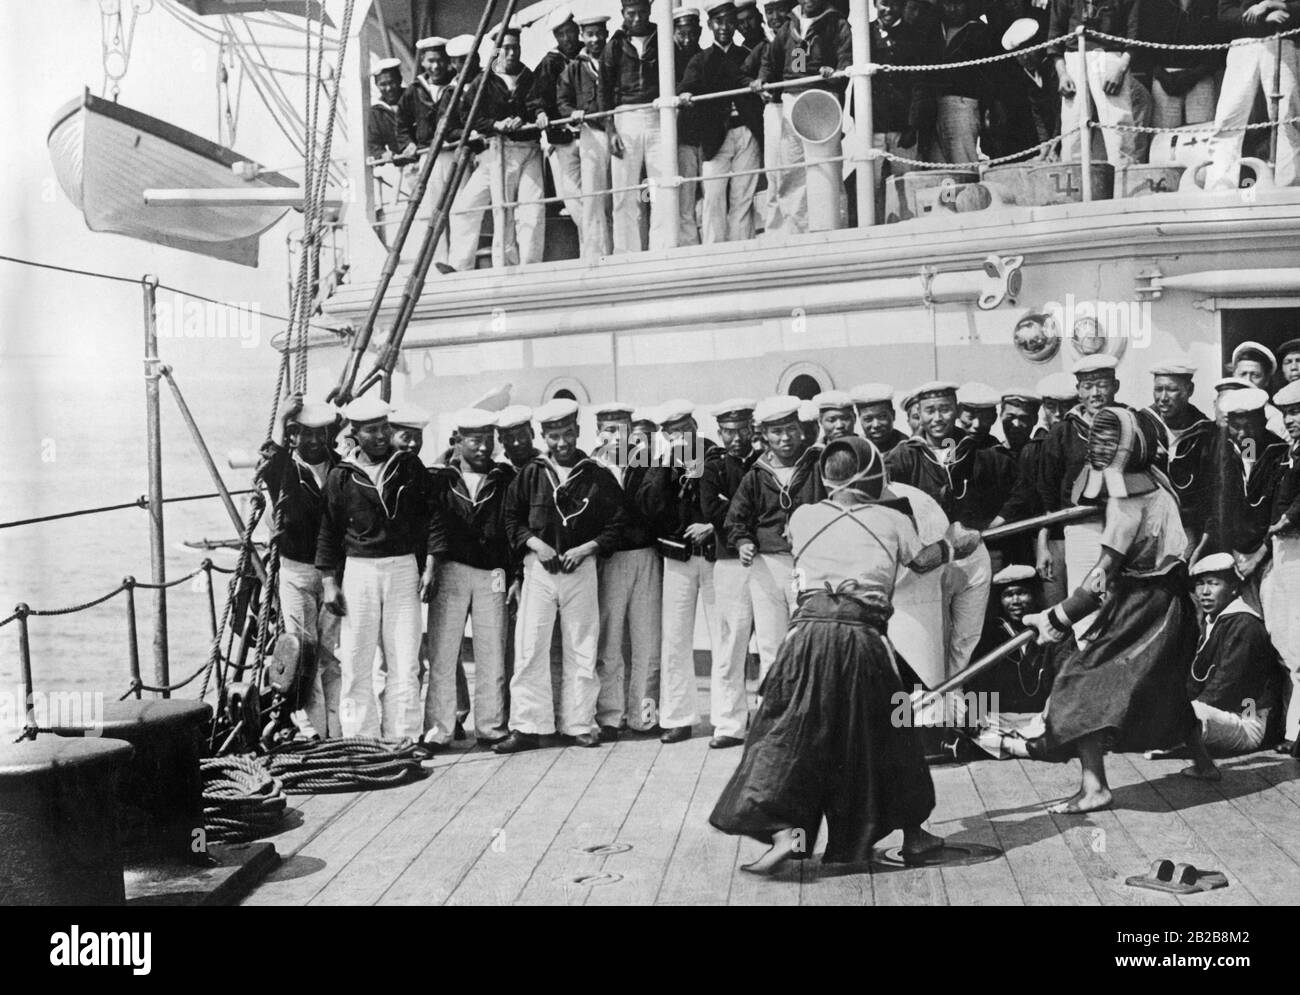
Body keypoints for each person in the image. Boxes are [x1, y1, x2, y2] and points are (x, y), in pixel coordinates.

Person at [710, 436, 950, 872]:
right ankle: (912, 836)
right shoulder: (892, 519)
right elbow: (922, 561)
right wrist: (957, 544)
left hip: (804, 637)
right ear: (874, 475)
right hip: (861, 638)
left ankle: (785, 833)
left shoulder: (802, 516)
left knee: (785, 734)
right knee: (886, 737)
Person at [1023, 406, 1219, 813]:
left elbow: (1096, 584)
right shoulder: (1159, 484)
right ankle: (1203, 763)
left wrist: (1055, 619)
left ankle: (1094, 787)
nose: (1098, 447)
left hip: (1145, 605)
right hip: (1170, 601)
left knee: (1079, 680)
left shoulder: (1127, 506)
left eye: (1108, 441)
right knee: (1164, 685)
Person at [497, 399, 628, 752]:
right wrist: (536, 545)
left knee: (581, 648)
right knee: (530, 649)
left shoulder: (596, 473)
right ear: (544, 436)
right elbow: (512, 519)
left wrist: (588, 548)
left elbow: (618, 522)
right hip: (539, 571)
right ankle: (527, 725)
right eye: (554, 436)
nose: (562, 443)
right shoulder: (531, 473)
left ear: (577, 432)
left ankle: (579, 723)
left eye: (568, 434)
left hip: (581, 572)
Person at [316, 397, 432, 741]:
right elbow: (328, 531)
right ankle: (360, 738)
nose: (381, 435)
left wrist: (430, 566)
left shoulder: (409, 467)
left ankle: (403, 736)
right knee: (355, 659)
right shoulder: (341, 476)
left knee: (404, 659)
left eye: (385, 427)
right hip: (359, 571)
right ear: (356, 433)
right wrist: (328, 582)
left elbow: (432, 519)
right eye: (372, 430)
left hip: (402, 568)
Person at [885, 382, 998, 681]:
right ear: (918, 414)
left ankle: (957, 705)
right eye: (930, 411)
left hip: (971, 554)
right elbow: (887, 504)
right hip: (928, 559)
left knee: (967, 635)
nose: (938, 418)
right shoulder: (901, 456)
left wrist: (982, 526)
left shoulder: (977, 449)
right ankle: (931, 713)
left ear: (957, 411)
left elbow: (1000, 491)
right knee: (928, 640)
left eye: (945, 409)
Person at [422, 409, 516, 748]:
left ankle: (491, 725)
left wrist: (514, 574)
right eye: (474, 439)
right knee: (444, 652)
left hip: (494, 572)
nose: (483, 447)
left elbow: (512, 528)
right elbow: (430, 523)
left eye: (488, 439)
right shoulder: (439, 478)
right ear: (457, 441)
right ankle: (440, 728)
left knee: (492, 650)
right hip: (452, 569)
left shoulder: (504, 478)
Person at [639, 401, 722, 744]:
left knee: (724, 636)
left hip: (716, 555)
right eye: (671, 431)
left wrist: (712, 525)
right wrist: (665, 466)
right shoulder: (658, 463)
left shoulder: (715, 456)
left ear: (694, 424)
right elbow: (648, 508)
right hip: (676, 558)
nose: (679, 435)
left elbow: (736, 499)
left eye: (684, 427)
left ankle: (726, 716)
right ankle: (678, 717)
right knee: (674, 639)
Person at [725, 395, 825, 678]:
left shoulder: (817, 464)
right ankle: (775, 713)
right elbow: (736, 519)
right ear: (765, 436)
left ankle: (810, 714)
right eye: (777, 432)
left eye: (790, 429)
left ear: (801, 430)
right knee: (771, 643)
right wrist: (743, 542)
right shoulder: (756, 475)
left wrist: (805, 526)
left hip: (809, 565)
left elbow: (834, 506)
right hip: (766, 567)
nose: (785, 438)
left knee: (808, 639)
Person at [260, 396, 342, 739]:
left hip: (333, 575)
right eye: (303, 434)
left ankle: (336, 729)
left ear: (328, 436)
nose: (311, 441)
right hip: (295, 572)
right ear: (293, 436)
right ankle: (313, 731)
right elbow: (270, 457)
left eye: (318, 434)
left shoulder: (340, 468)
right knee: (304, 653)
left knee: (329, 653)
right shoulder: (284, 470)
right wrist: (281, 419)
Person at [1037, 355, 1128, 631]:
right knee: (1087, 605)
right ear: (1078, 390)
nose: (1095, 393)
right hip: (1082, 530)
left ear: (1115, 386)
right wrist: (1043, 544)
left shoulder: (1132, 423)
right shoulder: (1062, 433)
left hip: (1125, 527)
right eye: (1087, 386)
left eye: (1102, 385)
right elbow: (1048, 493)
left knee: (1123, 606)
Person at [591, 401, 663, 741]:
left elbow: (698, 452)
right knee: (610, 641)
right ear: (598, 431)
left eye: (621, 427)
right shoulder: (589, 465)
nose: (614, 435)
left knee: (646, 641)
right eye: (607, 428)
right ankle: (610, 716)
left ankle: (644, 716)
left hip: (645, 554)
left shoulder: (648, 458)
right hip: (609, 559)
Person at [757, 0, 852, 233]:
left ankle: (833, 229)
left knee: (826, 167)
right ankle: (798, 230)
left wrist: (835, 74)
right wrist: (763, 79)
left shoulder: (836, 23)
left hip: (823, 98)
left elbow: (846, 59)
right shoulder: (790, 26)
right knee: (792, 170)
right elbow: (771, 60)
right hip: (791, 100)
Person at [461, 26, 547, 268]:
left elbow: (536, 102)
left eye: (515, 48)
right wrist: (495, 124)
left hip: (529, 147)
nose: (511, 53)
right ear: (497, 50)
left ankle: (531, 264)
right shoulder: (484, 81)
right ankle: (505, 265)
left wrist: (534, 114)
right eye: (506, 48)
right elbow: (469, 116)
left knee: (533, 208)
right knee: (504, 212)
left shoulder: (528, 76)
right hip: (501, 149)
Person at [701, 399, 761, 748]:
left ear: (752, 429)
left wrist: (738, 510)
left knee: (771, 644)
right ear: (720, 433)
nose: (736, 437)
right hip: (728, 561)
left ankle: (769, 720)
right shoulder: (713, 469)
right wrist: (747, 517)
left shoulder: (764, 464)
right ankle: (728, 723)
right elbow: (714, 511)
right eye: (728, 431)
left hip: (765, 560)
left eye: (742, 430)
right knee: (730, 644)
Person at [680, 2, 765, 244]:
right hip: (715, 137)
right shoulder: (700, 59)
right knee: (714, 196)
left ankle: (740, 250)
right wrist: (686, 95)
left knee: (743, 196)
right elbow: (686, 87)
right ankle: (713, 250)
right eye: (718, 22)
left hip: (747, 132)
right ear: (710, 25)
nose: (725, 27)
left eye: (729, 21)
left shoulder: (747, 54)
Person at [1182, 553, 1281, 754]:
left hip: (1247, 719)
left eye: (1213, 583)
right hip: (1218, 713)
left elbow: (1228, 682)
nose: (1205, 592)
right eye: (1200, 584)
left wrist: (1186, 707)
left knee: (1181, 715)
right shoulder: (1213, 621)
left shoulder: (1245, 624)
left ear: (1234, 588)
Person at [601, 0, 672, 253]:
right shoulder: (614, 46)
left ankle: (663, 249)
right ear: (623, 13)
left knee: (662, 187)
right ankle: (626, 253)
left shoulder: (663, 38)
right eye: (631, 13)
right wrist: (610, 130)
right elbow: (604, 90)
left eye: (642, 12)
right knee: (625, 191)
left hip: (656, 116)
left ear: (649, 12)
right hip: (626, 117)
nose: (637, 18)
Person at [1205, 0, 1299, 190]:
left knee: (1288, 120)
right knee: (1229, 119)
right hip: (1243, 46)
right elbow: (1225, 15)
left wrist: (1270, 4)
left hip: (1282, 41)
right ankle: (1220, 185)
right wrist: (1265, 17)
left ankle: (1290, 185)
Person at [969, 564, 1058, 759]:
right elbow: (977, 681)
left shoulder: (1050, 629)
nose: (1015, 601)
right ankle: (1023, 748)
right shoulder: (992, 633)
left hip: (1038, 718)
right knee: (958, 719)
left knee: (1068, 729)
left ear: (1034, 596)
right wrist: (978, 716)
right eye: (1008, 595)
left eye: (1022, 593)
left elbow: (1063, 677)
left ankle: (1008, 747)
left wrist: (1049, 713)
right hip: (1000, 719)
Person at [1049, 0, 1140, 166]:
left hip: (1111, 58)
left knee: (1118, 129)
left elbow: (1134, 32)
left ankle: (1123, 185)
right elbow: (1055, 36)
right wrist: (1062, 73)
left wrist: (1121, 67)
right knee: (1072, 131)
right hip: (1074, 59)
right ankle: (1075, 187)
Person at [1261, 379, 1300, 747]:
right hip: (1283, 549)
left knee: (1297, 639)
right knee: (1283, 635)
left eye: (1298, 411)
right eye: (1288, 412)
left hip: (1297, 547)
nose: (1291, 419)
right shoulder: (1291, 452)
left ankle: (1296, 732)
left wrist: (1287, 519)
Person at [530, 8, 586, 255]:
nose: (568, 38)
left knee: (600, 191)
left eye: (570, 32)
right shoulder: (549, 63)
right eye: (561, 34)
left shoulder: (591, 53)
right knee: (571, 195)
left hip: (592, 133)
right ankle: (591, 240)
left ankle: (595, 244)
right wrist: (540, 112)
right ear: (556, 36)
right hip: (563, 139)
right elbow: (536, 96)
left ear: (577, 30)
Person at [915, 0, 998, 166]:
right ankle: (949, 194)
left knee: (962, 160)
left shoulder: (978, 30)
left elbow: (989, 75)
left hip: (962, 103)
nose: (952, 9)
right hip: (933, 106)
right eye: (947, 4)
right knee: (939, 165)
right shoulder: (936, 30)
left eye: (958, 3)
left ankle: (968, 193)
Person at [558, 14, 614, 257]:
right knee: (593, 198)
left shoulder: (616, 60)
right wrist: (572, 113)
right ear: (583, 37)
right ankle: (594, 253)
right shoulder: (575, 67)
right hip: (591, 133)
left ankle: (622, 251)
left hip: (617, 130)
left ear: (606, 34)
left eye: (600, 33)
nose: (596, 39)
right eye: (590, 34)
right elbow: (562, 100)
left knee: (623, 195)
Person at [1147, 361, 1216, 550]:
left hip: (1186, 527)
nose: (1163, 398)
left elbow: (1210, 490)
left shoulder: (1206, 432)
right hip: (1146, 527)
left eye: (1171, 390)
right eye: (1158, 389)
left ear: (1189, 390)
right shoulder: (1143, 424)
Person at [1135, 0, 1220, 132]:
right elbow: (1143, 44)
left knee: (1201, 137)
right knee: (1163, 137)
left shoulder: (1209, 4)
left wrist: (1195, 74)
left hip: (1201, 77)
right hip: (1164, 77)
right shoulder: (1152, 4)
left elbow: (1218, 46)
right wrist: (1161, 75)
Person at [986, 18, 1060, 162]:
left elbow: (1060, 110)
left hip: (1065, 133)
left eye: (1028, 50)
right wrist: (1044, 146)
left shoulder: (1052, 69)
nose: (1025, 57)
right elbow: (1037, 114)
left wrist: (1055, 147)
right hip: (1052, 139)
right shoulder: (1028, 76)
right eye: (1019, 53)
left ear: (1038, 46)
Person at [672, 7, 706, 248]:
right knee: (685, 197)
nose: (687, 39)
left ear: (700, 31)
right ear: (673, 33)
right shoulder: (666, 62)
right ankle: (689, 245)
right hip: (682, 137)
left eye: (691, 34)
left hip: (707, 137)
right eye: (682, 34)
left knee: (710, 194)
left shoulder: (707, 58)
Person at [1231, 340, 1288, 436]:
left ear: (1266, 381)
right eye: (1243, 374)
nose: (1247, 381)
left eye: (1255, 375)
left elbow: (1249, 450)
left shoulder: (1276, 421)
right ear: (1234, 375)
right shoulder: (1224, 412)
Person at [851, 383, 908, 453]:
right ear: (859, 419)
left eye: (882, 417)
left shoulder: (908, 447)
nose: (876, 425)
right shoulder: (856, 448)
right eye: (868, 419)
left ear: (893, 415)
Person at [368, 59, 406, 161]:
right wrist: (382, 154)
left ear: (400, 79)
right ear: (377, 86)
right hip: (400, 165)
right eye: (383, 84)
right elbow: (374, 143)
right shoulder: (377, 112)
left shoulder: (413, 99)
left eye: (391, 82)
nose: (388, 88)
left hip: (425, 156)